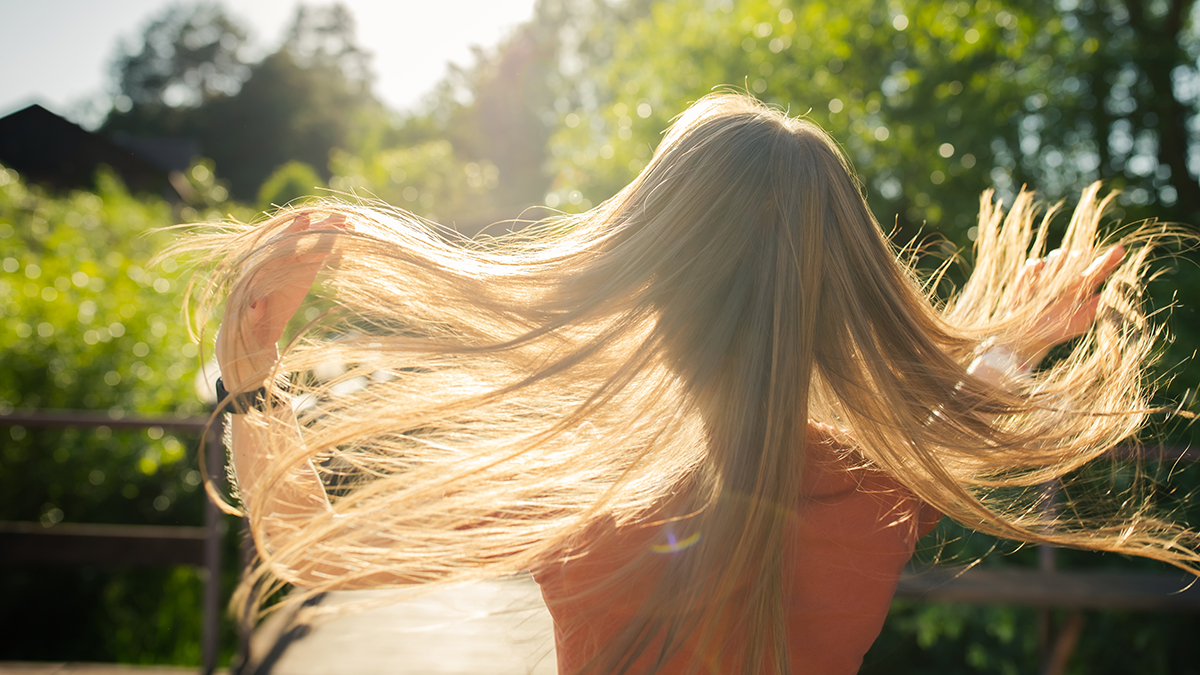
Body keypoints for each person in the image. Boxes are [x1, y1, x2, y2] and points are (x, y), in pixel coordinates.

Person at [187, 94, 1198, 674]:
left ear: (651, 279)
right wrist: (1014, 348)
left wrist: (252, 373)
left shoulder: (585, 489)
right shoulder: (881, 486)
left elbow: (308, 548)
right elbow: (946, 417)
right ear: (841, 297)